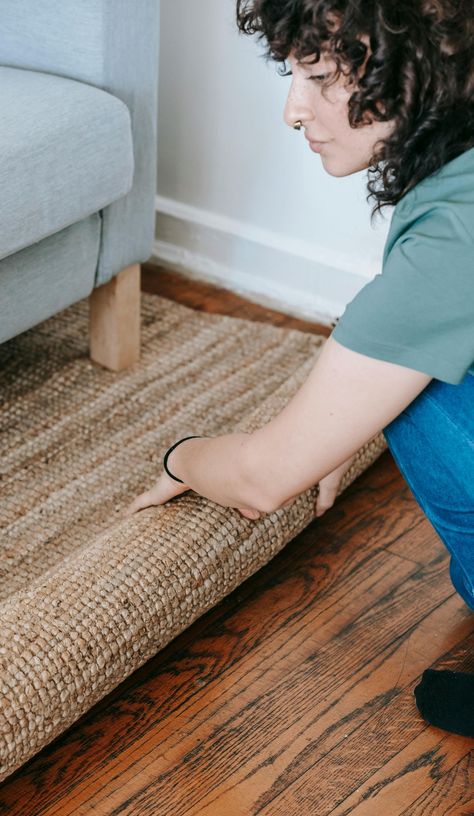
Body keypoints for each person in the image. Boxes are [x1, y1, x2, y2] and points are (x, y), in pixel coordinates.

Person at [123, 0, 474, 737]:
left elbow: (262, 477)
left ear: (413, 65)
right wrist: (342, 415)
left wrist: (179, 456)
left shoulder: (455, 234)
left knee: (417, 389)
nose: (293, 109)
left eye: (318, 77)